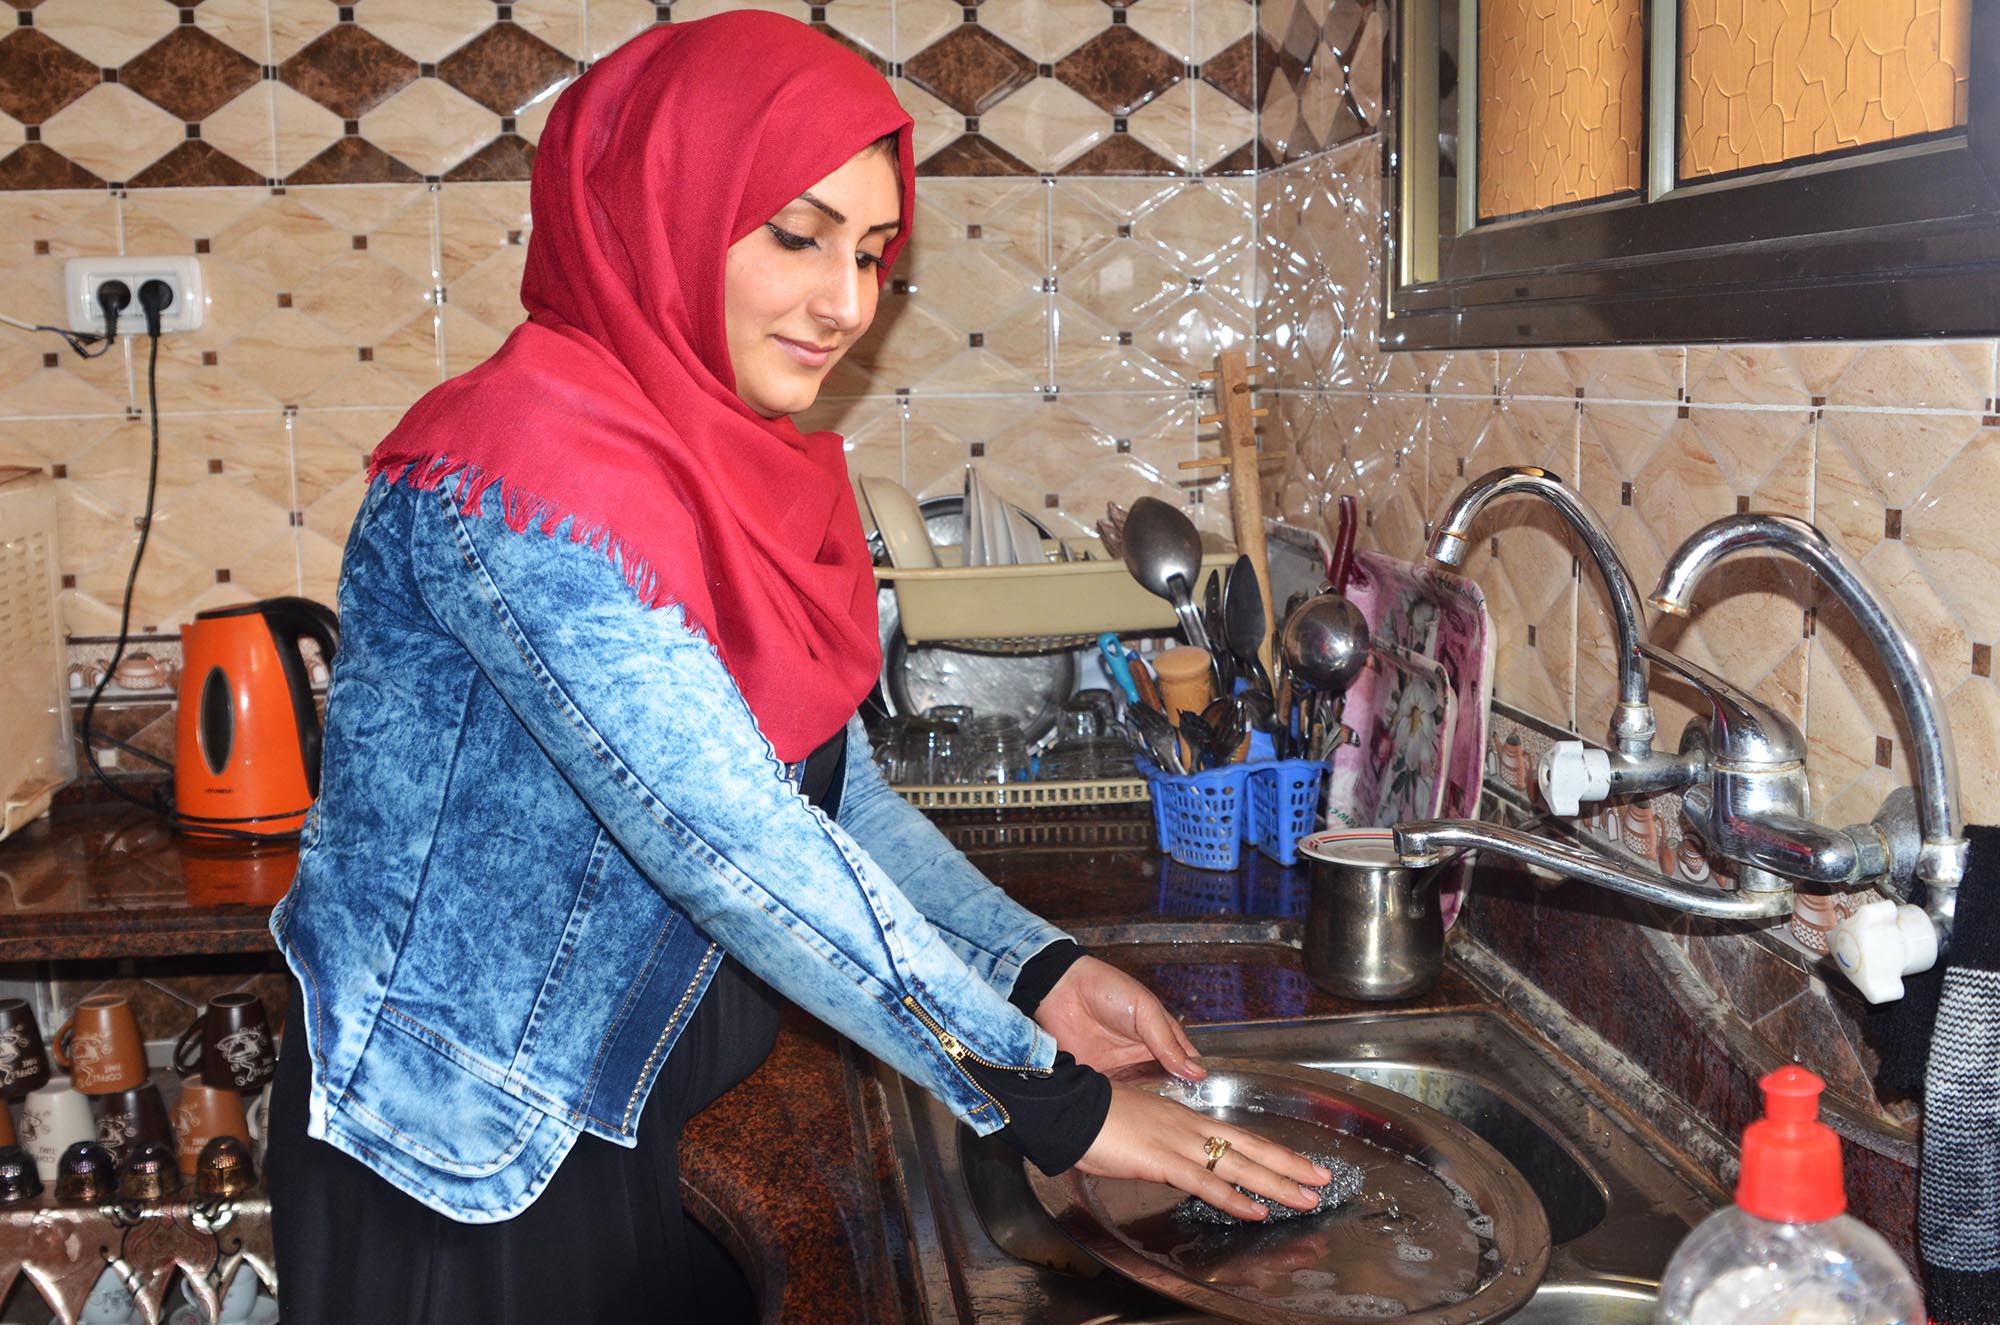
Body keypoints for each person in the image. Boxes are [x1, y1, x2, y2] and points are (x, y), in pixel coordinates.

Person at [263, 14, 1330, 1322]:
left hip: (654, 1105)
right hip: (471, 1160)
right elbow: (731, 838)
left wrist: (1031, 968)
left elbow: (832, 788)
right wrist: (1048, 1096)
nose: (849, 301)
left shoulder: (748, 465)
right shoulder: (518, 481)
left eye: (875, 252)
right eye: (798, 234)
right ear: (665, 204)